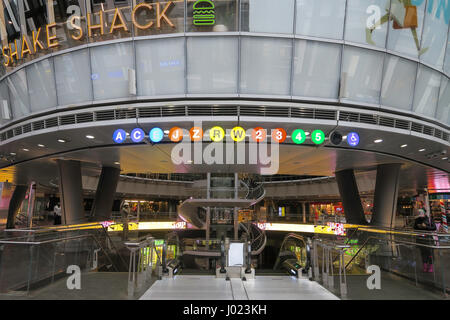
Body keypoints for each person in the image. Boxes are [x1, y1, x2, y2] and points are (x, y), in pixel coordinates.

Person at [414, 208, 436, 273]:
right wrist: (419, 226)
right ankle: (425, 266)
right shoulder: (417, 220)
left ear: (424, 213)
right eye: (419, 212)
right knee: (423, 253)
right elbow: (414, 228)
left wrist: (426, 227)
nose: (420, 213)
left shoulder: (429, 219)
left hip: (428, 239)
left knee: (430, 253)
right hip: (421, 239)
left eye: (421, 212)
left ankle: (430, 267)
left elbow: (434, 228)